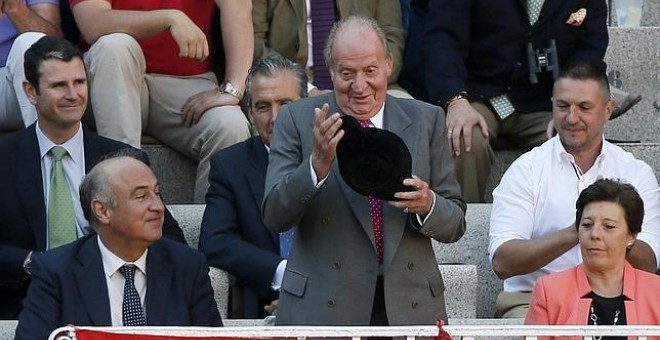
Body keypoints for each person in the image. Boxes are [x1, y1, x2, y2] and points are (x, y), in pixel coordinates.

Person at [262, 16, 466, 326]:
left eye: (370, 71)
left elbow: (455, 223)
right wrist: (316, 166)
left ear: (388, 65)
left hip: (409, 307)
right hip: (324, 306)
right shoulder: (297, 120)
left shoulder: (427, 119)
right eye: (347, 73)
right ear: (330, 71)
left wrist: (428, 205)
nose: (359, 86)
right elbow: (275, 215)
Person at [0, 36, 185, 320]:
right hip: (26, 301)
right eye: (59, 85)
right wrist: (29, 263)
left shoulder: (121, 159)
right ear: (31, 91)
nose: (73, 94)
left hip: (112, 296)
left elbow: (169, 237)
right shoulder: (5, 157)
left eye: (79, 82)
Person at [408, 0, 640, 203]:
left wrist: (567, 108)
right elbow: (442, 39)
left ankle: (573, 226)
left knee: (576, 133)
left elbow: (590, 51)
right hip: (480, 97)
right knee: (464, 135)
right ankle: (459, 228)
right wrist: (456, 101)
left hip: (544, 103)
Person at [489, 61, 660, 318]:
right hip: (533, 300)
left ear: (608, 110)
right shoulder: (526, 169)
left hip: (621, 300)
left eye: (584, 107)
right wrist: (576, 231)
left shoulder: (636, 172)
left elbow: (648, 264)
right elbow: (503, 262)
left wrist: (608, 231)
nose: (571, 118)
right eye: (562, 106)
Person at [14, 153, 222, 340]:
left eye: (157, 193)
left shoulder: (187, 266)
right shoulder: (56, 271)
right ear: (102, 211)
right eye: (141, 196)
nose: (158, 207)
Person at [70, 0, 254, 203]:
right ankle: (124, 195)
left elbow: (238, 6)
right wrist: (169, 18)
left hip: (186, 81)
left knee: (231, 126)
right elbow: (93, 24)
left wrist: (233, 87)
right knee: (114, 45)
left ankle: (213, 230)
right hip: (114, 78)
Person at [199, 54, 307, 319]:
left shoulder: (334, 159)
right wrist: (284, 276)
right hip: (262, 302)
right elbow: (215, 242)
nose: (275, 117)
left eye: (286, 104)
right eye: (262, 106)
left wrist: (307, 294)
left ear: (307, 106)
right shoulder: (230, 165)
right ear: (249, 113)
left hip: (334, 302)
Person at [525, 178, 660, 335]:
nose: (595, 234)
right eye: (587, 225)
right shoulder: (549, 290)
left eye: (608, 226)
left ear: (631, 236)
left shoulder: (656, 291)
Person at [252, 0, 409, 97]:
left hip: (366, 81)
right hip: (291, 87)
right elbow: (255, 44)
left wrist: (363, 83)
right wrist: (304, 88)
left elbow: (392, 39)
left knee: (406, 112)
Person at [0, 0, 61, 130]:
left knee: (31, 41)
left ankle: (46, 146)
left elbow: (53, 45)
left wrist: (14, 6)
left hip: (13, 81)